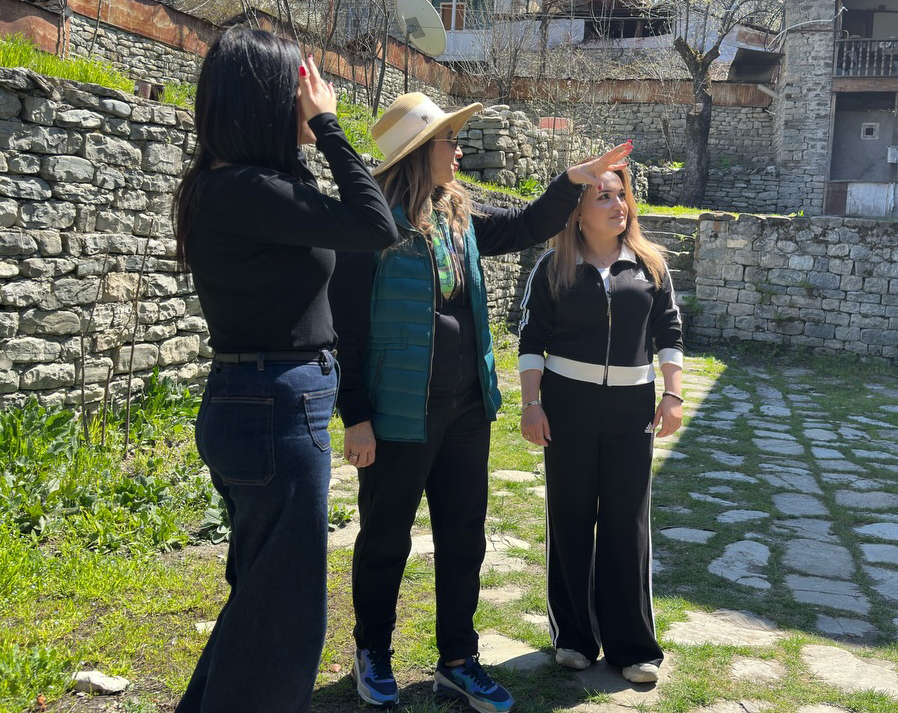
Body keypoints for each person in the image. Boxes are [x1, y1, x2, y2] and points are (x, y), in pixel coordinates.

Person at [329, 91, 633, 712]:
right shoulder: (372, 225)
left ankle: (457, 660)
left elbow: (525, 226)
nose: (459, 151)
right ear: (420, 152)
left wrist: (572, 180)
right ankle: (373, 651)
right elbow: (346, 331)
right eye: (449, 141)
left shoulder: (458, 215)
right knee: (385, 537)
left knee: (465, 538)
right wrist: (355, 417)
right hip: (398, 413)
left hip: (466, 409)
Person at [172, 28, 399, 713]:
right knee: (285, 616)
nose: (310, 98)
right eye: (296, 89)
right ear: (266, 102)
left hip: (254, 402)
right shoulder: (249, 191)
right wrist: (328, 126)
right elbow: (376, 224)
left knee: (262, 599)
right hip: (275, 408)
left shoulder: (231, 186)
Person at [515, 166, 684, 684]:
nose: (618, 205)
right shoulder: (553, 267)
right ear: (578, 213)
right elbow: (530, 340)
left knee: (626, 522)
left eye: (621, 195)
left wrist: (673, 394)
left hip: (632, 410)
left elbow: (670, 331)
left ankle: (632, 646)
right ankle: (574, 638)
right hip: (567, 406)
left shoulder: (650, 265)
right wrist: (530, 404)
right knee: (569, 517)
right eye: (604, 197)